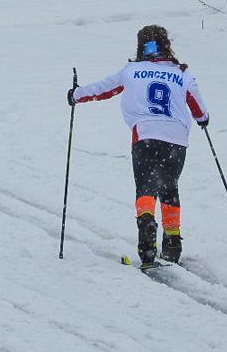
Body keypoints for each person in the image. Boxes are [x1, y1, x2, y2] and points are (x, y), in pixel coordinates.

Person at [67, 25, 209, 266]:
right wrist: (202, 120)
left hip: (145, 135)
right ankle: (173, 242)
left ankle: (147, 237)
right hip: (176, 139)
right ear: (166, 45)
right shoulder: (182, 73)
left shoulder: (131, 70)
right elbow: (199, 110)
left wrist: (75, 95)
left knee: (145, 187)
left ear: (141, 46)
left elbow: (103, 89)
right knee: (169, 187)